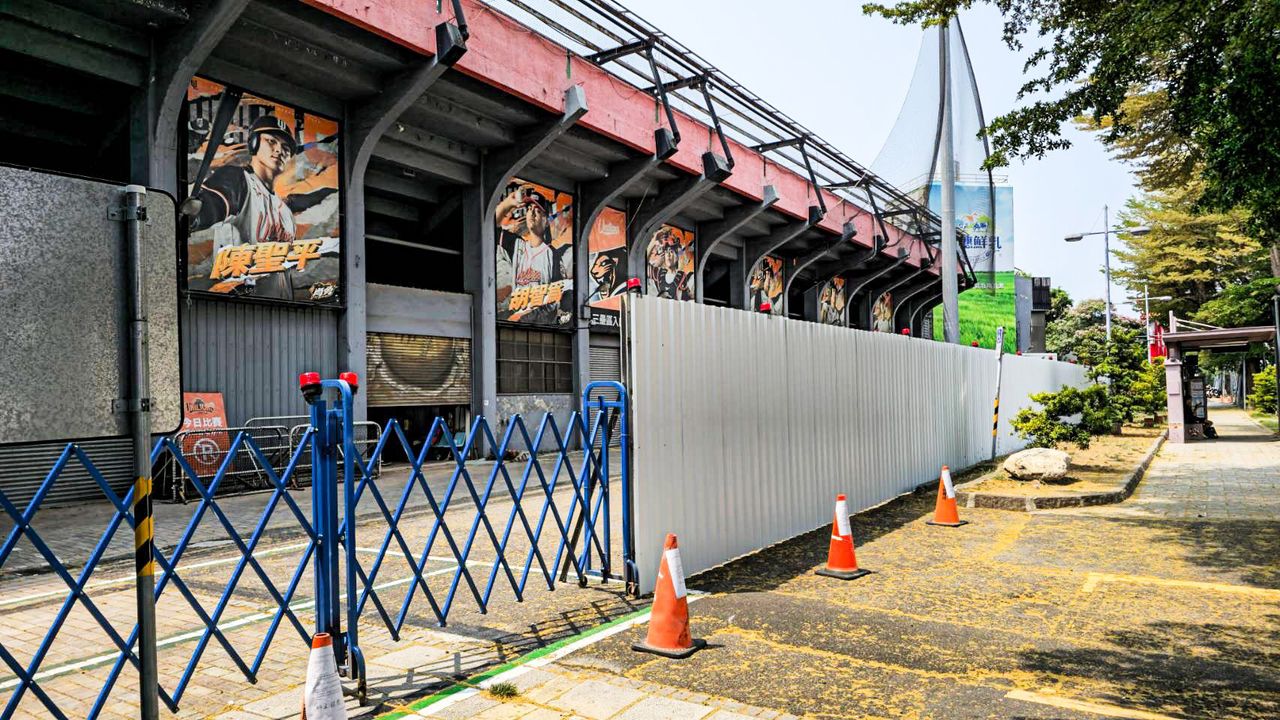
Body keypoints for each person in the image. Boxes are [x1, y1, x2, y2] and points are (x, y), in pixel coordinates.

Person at [189, 114, 300, 298]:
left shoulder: (286, 213)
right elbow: (214, 203)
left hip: (283, 307)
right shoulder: (238, 180)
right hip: (239, 304)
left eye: (286, 147)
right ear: (254, 143)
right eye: (271, 141)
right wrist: (197, 214)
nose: (279, 150)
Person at [495, 184, 572, 324]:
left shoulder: (553, 256)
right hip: (514, 322)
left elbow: (557, 297)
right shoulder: (516, 245)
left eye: (537, 211)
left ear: (546, 221)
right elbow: (490, 225)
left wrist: (524, 315)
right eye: (529, 209)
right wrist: (509, 203)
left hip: (540, 326)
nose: (532, 213)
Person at [646, 227, 692, 300]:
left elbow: (690, 299)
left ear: (677, 256)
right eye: (667, 252)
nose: (669, 255)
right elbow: (643, 262)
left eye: (671, 252)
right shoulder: (658, 274)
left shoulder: (684, 277)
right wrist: (654, 240)